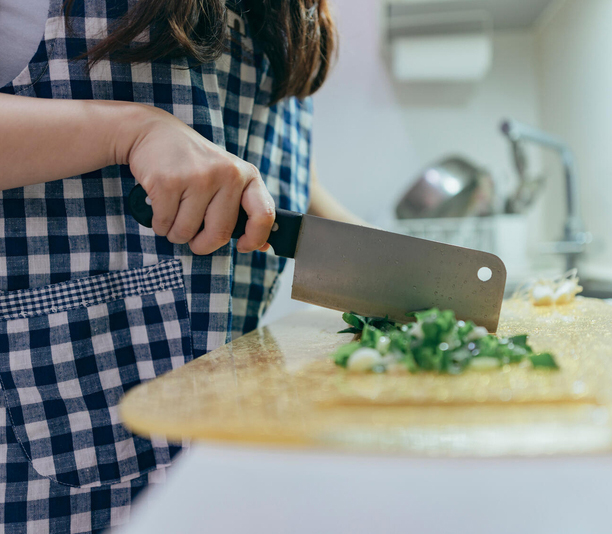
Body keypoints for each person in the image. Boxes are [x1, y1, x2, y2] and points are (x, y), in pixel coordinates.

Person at [0, 0, 360, 531]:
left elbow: (239, 145)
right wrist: (131, 131)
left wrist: (361, 250)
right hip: (60, 433)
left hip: (227, 437)